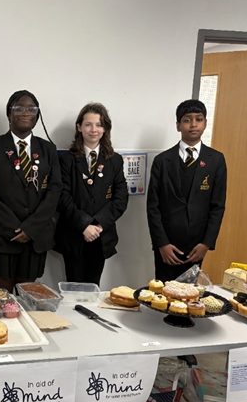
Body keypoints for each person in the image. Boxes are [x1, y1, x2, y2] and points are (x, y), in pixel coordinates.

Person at [0, 90, 61, 293]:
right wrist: (15, 229)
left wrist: (30, 229)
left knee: (28, 293)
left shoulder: (48, 149)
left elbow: (55, 190)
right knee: (2, 294)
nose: (25, 112)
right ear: (9, 114)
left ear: (37, 116)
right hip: (2, 236)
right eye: (19, 108)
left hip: (35, 237)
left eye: (32, 109)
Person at [146, 99, 227, 282]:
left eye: (198, 119)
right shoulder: (162, 161)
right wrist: (162, 243)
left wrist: (206, 243)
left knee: (189, 297)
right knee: (164, 294)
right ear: (178, 125)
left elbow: (217, 206)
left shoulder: (216, 160)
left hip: (197, 244)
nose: (193, 124)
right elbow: (153, 206)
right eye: (187, 120)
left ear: (205, 123)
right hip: (167, 244)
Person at [54, 103, 128, 286]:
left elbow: (120, 198)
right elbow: (62, 197)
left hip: (101, 235)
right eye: (88, 124)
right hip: (74, 235)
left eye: (99, 124)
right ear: (79, 127)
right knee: (73, 288)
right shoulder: (66, 160)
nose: (93, 129)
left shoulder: (115, 161)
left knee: (94, 287)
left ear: (105, 128)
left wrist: (98, 225)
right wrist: (85, 225)